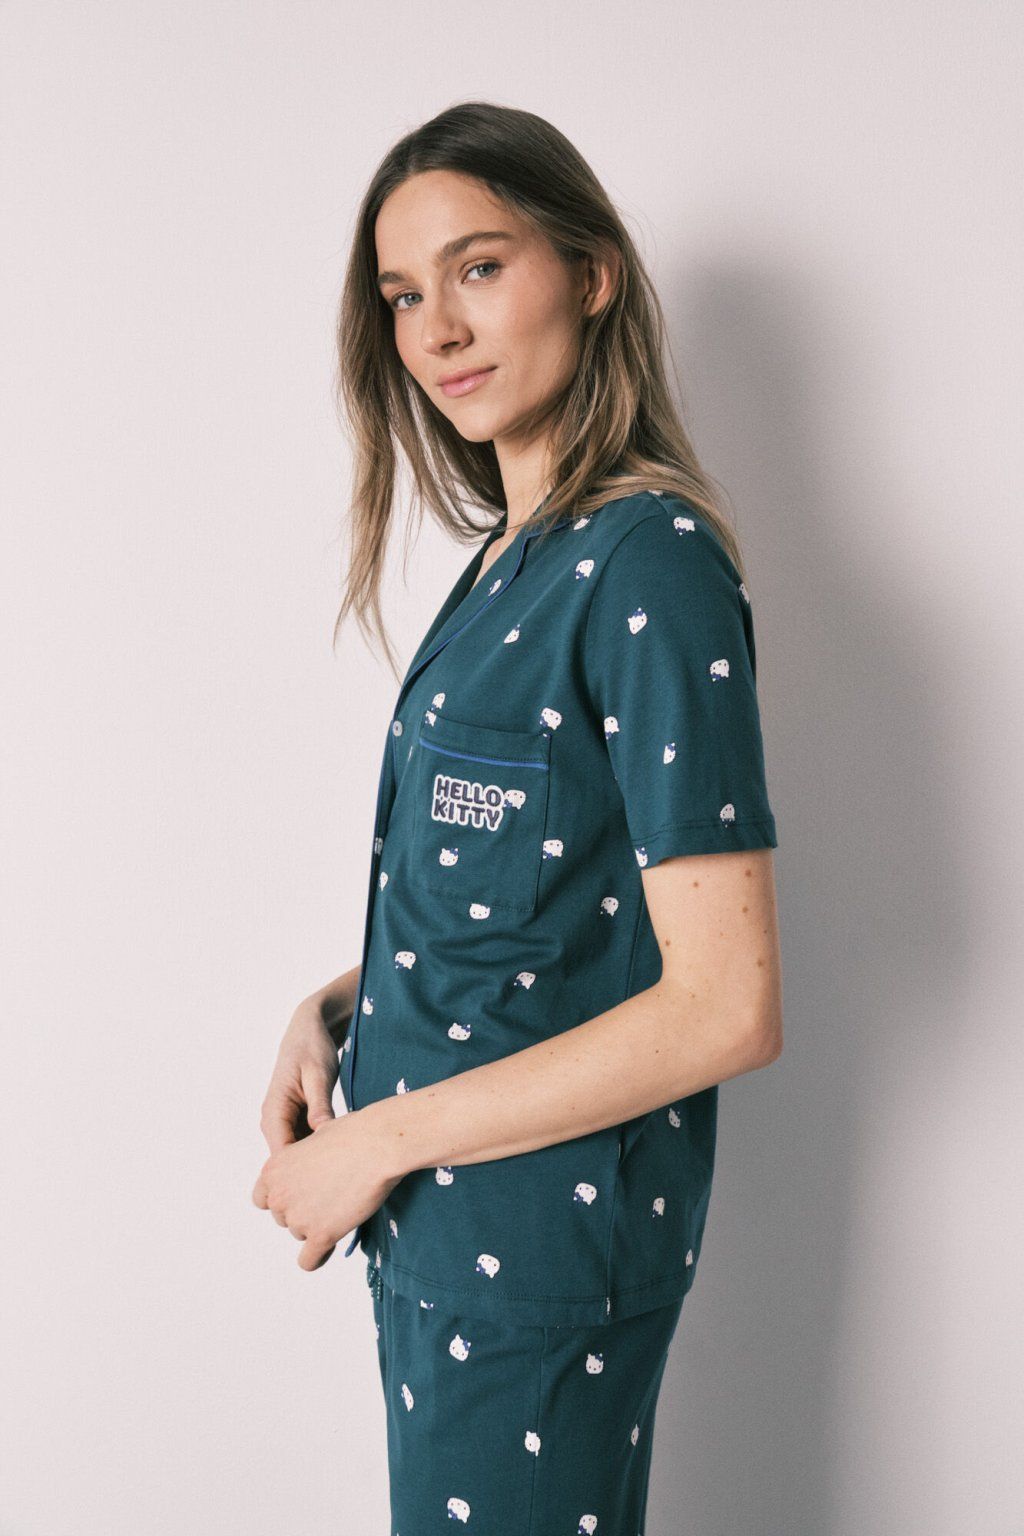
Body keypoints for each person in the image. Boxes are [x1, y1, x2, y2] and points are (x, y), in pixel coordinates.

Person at [252, 100, 784, 1534]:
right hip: (439, 1236)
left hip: (536, 1256)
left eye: (478, 268)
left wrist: (373, 1143)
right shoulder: (512, 560)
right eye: (402, 295)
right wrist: (344, 1003)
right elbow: (554, 907)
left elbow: (727, 1003)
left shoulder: (650, 568)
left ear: (591, 274)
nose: (437, 330)